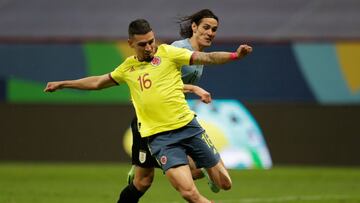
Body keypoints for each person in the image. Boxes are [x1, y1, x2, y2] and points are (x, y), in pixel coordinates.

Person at [44, 18, 252, 203]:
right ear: (131, 44)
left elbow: (207, 58)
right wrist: (64, 84)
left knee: (225, 184)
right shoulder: (127, 68)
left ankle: (199, 167)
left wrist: (235, 55)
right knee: (188, 193)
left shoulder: (168, 53)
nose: (149, 47)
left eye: (151, 41)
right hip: (160, 139)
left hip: (190, 128)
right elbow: (98, 82)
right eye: (143, 44)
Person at [121, 9, 223, 203]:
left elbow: (171, 87)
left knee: (187, 173)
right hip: (151, 122)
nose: (210, 32)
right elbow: (156, 79)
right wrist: (194, 88)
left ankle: (206, 169)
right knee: (143, 181)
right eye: (206, 27)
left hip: (169, 120)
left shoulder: (197, 55)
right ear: (194, 27)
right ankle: (140, 163)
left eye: (214, 29)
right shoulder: (177, 48)